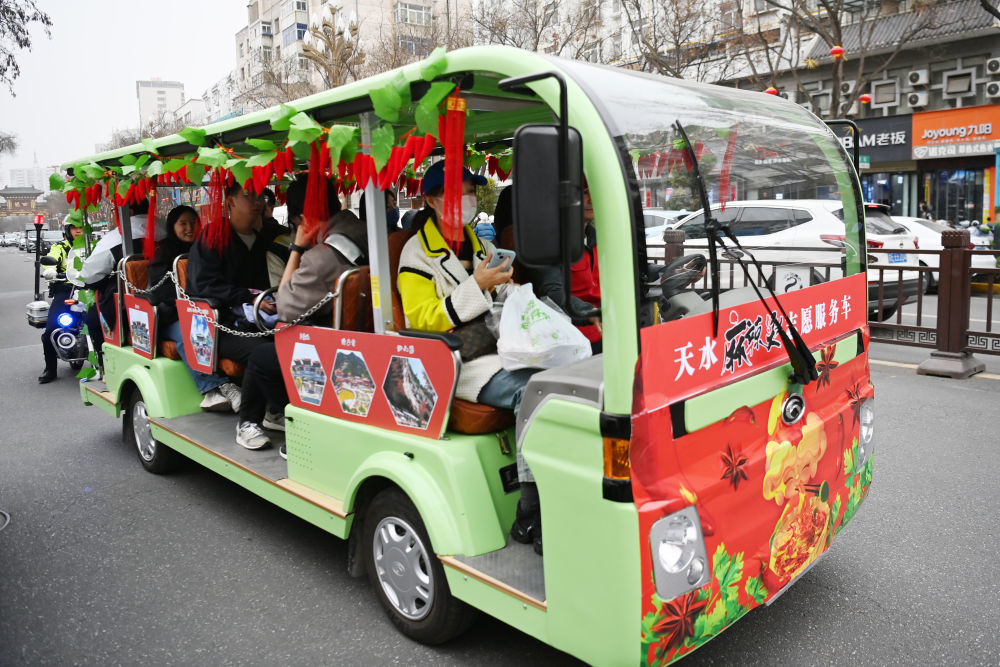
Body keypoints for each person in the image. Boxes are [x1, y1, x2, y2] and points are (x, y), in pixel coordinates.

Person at [397, 160, 543, 554]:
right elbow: (422, 320)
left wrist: (519, 297)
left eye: (470, 192)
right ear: (430, 200)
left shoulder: (481, 245)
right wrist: (477, 284)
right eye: (454, 193)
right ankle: (532, 509)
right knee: (532, 391)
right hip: (454, 359)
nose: (466, 200)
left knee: (560, 377)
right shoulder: (416, 253)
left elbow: (504, 293)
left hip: (497, 346)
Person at [237, 173, 365, 456]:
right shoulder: (363, 230)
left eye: (296, 224)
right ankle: (264, 417)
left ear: (303, 219)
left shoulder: (321, 257)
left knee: (260, 357)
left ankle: (280, 418)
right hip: (363, 337)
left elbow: (284, 307)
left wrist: (296, 248)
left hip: (331, 349)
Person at [187, 181, 284, 450]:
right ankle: (248, 423)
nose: (257, 202)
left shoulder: (263, 239)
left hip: (259, 319)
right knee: (260, 351)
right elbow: (202, 287)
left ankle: (275, 408)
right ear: (230, 201)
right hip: (219, 324)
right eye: (249, 195)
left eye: (260, 196)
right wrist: (248, 298)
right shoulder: (212, 237)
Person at [148, 205, 243, 412]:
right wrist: (188, 301)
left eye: (193, 222)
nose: (189, 228)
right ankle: (212, 388)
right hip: (171, 315)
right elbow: (160, 290)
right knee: (190, 332)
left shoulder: (208, 247)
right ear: (172, 226)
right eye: (183, 224)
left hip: (206, 311)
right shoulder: (163, 253)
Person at [37, 220, 84, 383]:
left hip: (89, 288)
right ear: (68, 230)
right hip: (66, 288)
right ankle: (50, 369)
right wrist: (49, 270)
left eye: (81, 227)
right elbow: (52, 258)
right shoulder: (61, 246)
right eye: (74, 228)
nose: (78, 230)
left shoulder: (92, 246)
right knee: (51, 330)